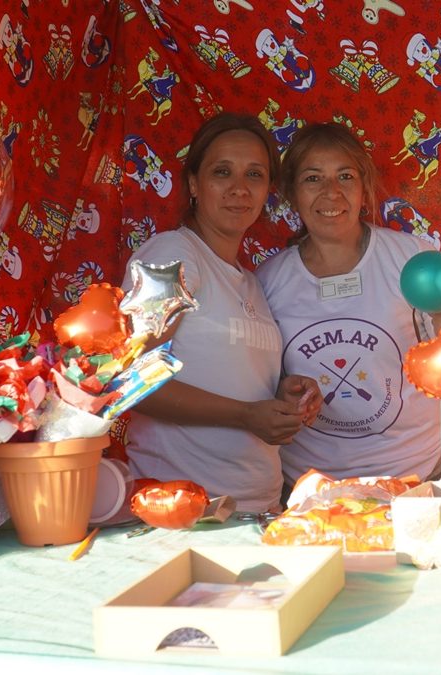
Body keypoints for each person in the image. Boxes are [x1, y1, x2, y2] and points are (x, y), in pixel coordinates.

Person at [121, 112, 321, 513]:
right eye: (222, 172)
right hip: (181, 511)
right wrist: (247, 415)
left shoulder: (250, 281)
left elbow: (233, 377)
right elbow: (130, 379)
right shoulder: (170, 257)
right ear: (194, 184)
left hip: (254, 509)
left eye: (254, 175)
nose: (238, 189)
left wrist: (283, 395)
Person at [255, 122, 441, 496]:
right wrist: (285, 392)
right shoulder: (266, 282)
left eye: (345, 176)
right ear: (291, 192)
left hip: (417, 473)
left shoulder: (413, 258)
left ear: (363, 187)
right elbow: (258, 382)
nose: (331, 192)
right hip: (312, 486)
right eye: (313, 179)